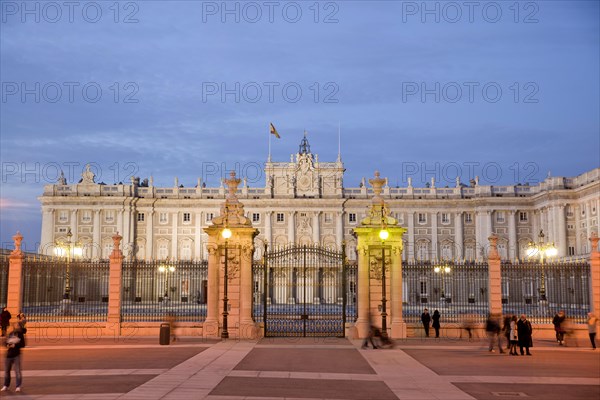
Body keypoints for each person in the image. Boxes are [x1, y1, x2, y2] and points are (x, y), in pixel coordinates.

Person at [1, 323, 26, 392]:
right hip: (8, 355)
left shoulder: (21, 335)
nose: (16, 326)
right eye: (15, 325)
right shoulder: (11, 333)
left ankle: (18, 386)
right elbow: (5, 343)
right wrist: (7, 345)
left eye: (18, 325)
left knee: (17, 371)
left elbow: (23, 344)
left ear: (20, 327)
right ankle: (6, 385)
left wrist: (15, 345)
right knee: (6, 371)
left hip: (16, 355)